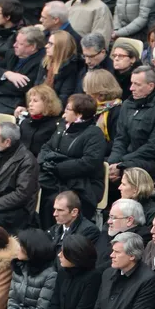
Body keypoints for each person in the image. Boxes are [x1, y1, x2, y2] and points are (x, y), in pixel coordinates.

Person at [37, 93, 107, 224]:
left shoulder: (94, 134)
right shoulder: (63, 127)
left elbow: (89, 163)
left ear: (79, 114)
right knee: (32, 189)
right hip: (56, 178)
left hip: (83, 185)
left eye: (68, 109)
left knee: (53, 201)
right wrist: (44, 162)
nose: (64, 113)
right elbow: (46, 147)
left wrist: (58, 167)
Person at [107, 66, 155, 185]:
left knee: (123, 171)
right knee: (100, 168)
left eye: (137, 84)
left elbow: (154, 147)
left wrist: (121, 164)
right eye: (131, 83)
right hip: (128, 160)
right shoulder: (127, 105)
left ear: (150, 86)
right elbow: (120, 138)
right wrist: (113, 162)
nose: (131, 88)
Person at [0, 26, 44, 115]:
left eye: (20, 44)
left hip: (12, 102)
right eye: (16, 41)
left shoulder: (41, 63)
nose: (14, 45)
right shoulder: (11, 53)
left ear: (32, 47)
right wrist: (7, 74)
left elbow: (20, 87)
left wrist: (0, 79)